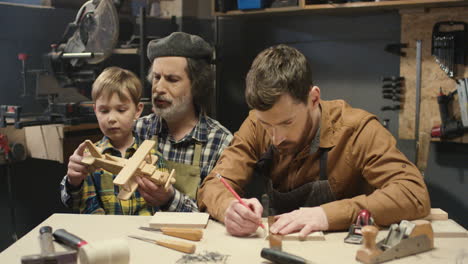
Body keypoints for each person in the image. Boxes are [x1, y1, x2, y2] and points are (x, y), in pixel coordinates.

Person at [197, 44, 431, 237]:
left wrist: (326, 215)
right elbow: (214, 185)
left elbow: (413, 193)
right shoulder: (258, 124)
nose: (276, 139)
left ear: (313, 98)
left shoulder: (357, 130)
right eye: (268, 126)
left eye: (287, 123)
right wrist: (230, 208)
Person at [133, 32, 233, 212]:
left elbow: (215, 216)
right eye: (156, 77)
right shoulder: (138, 130)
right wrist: (74, 182)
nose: (159, 88)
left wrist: (170, 199)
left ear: (197, 85)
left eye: (172, 80)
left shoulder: (219, 141)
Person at [60, 67, 168, 215]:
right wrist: (74, 182)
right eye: (104, 111)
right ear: (95, 110)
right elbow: (85, 205)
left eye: (121, 110)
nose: (111, 119)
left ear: (138, 110)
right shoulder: (89, 158)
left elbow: (157, 206)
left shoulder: (153, 155)